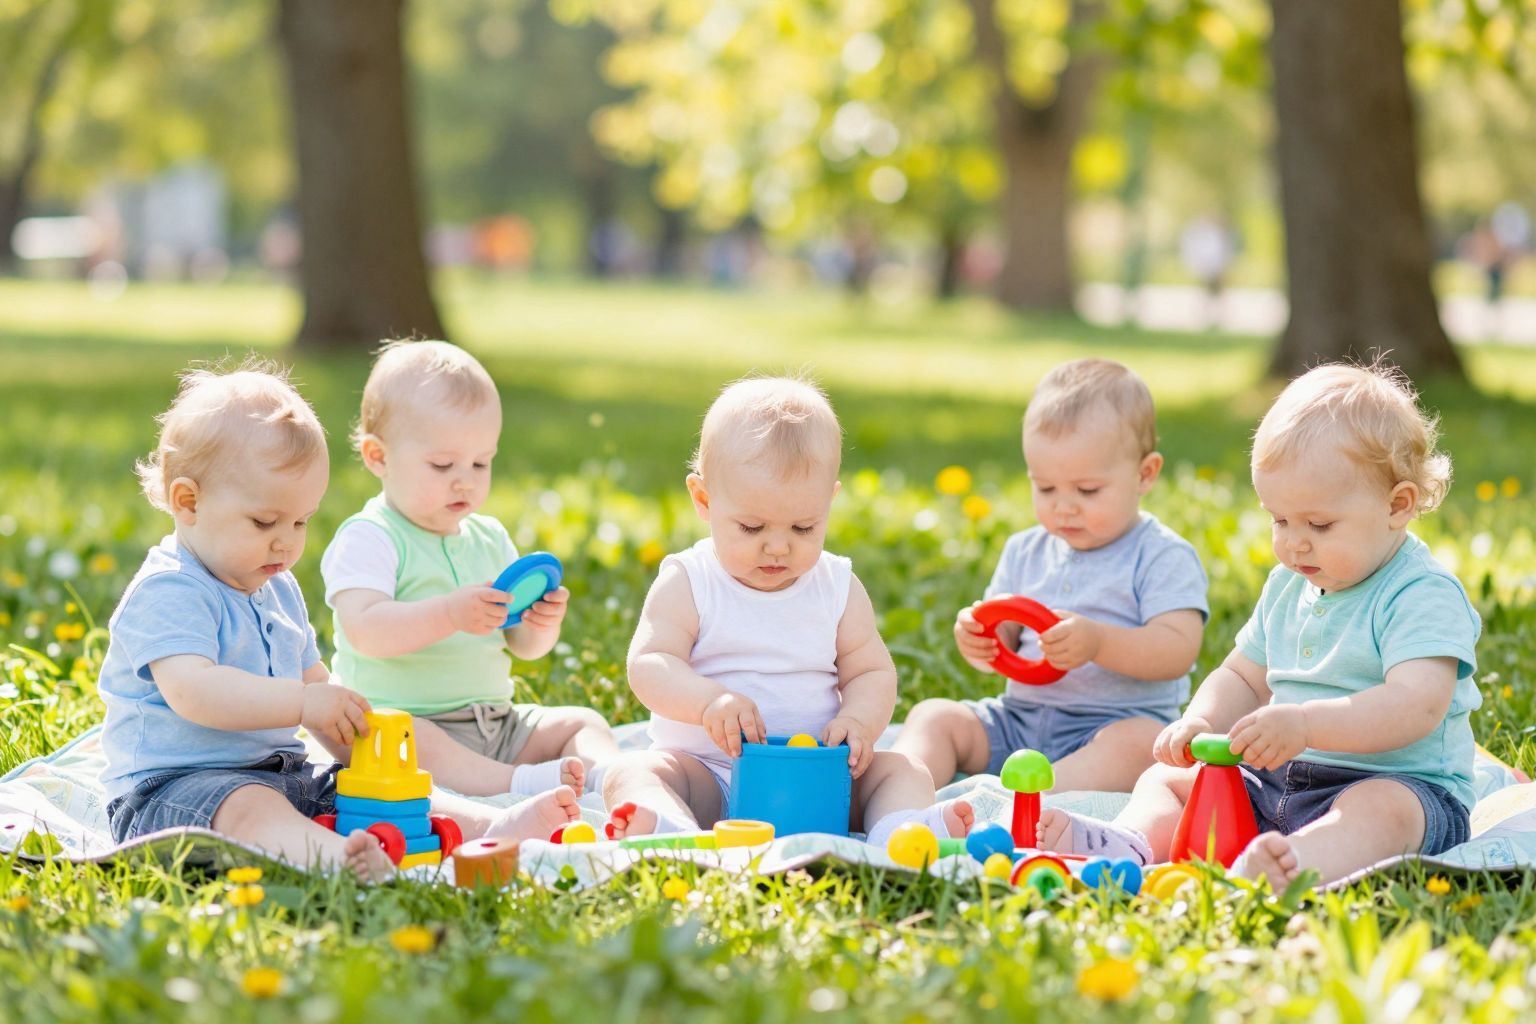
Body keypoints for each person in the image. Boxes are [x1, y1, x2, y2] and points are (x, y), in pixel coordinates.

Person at [99, 360, 579, 880]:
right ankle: (340, 863)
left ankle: (493, 825)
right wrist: (304, 702)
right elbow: (197, 693)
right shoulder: (170, 589)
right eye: (265, 521)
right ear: (188, 502)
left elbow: (316, 691)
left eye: (302, 520)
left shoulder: (276, 587)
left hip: (283, 774)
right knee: (251, 809)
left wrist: (360, 743)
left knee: (380, 785)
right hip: (175, 792)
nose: (287, 541)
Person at [1036, 362, 1481, 886]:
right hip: (1275, 780)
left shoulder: (1419, 593)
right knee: (1172, 779)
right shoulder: (1288, 584)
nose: (1294, 542)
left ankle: (1296, 865)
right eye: (1279, 520)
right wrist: (1202, 721)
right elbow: (1244, 676)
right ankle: (1128, 844)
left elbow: (1416, 706)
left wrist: (1307, 725)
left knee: (1382, 813)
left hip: (1397, 782)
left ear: (1397, 505)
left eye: (1319, 524)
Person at [603, 377, 973, 845]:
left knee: (903, 769)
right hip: (714, 777)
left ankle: (899, 832)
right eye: (752, 526)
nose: (777, 546)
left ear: (828, 503)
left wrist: (859, 721)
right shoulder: (690, 581)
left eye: (804, 526)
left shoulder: (836, 587)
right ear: (704, 500)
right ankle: (669, 827)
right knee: (635, 770)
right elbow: (650, 664)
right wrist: (708, 701)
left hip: (822, 777)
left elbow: (871, 671)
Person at [321, 340, 620, 798]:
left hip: (495, 724)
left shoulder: (489, 537)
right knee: (412, 743)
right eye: (442, 464)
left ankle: (613, 781)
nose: (465, 479)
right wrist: (449, 614)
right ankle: (519, 786)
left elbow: (519, 642)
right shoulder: (371, 536)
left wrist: (539, 626)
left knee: (583, 722)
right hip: (406, 726)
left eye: (481, 462)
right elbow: (365, 630)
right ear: (378, 457)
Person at [894, 359, 1208, 793]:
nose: (1063, 506)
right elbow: (1000, 642)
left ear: (1145, 474)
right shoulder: (1025, 550)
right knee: (934, 716)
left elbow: (1178, 649)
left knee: (1141, 748)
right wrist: (980, 640)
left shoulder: (1160, 555)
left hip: (1108, 728)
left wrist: (1098, 642)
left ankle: (1020, 799)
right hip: (1017, 720)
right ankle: (901, 793)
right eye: (1045, 488)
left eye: (1087, 490)